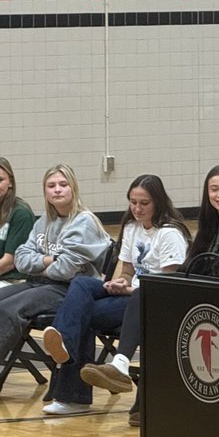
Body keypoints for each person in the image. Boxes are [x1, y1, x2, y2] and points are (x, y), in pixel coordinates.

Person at [81, 163, 219, 427]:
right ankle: (125, 373)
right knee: (148, 292)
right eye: (214, 189)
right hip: (201, 302)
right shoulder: (210, 229)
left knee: (151, 307)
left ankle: (128, 375)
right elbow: (188, 270)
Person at [39, 175, 190, 415]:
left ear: (158, 202)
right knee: (81, 284)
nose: (137, 209)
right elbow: (129, 270)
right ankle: (64, 343)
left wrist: (130, 289)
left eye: (144, 203)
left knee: (82, 314)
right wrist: (122, 281)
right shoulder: (131, 227)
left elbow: (167, 285)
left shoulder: (169, 233)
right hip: (132, 294)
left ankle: (73, 397)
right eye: (133, 202)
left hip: (152, 302)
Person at [0, 165, 109, 368]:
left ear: (73, 188)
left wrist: (39, 263)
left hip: (68, 289)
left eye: (63, 184)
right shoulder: (45, 221)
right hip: (39, 283)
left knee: (8, 309)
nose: (57, 189)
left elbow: (65, 270)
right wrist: (51, 259)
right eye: (51, 186)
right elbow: (21, 259)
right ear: (45, 191)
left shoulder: (84, 222)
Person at [0, 157, 35, 285]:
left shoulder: (21, 213)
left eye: (0, 180)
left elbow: (9, 262)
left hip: (12, 279)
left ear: (10, 182)